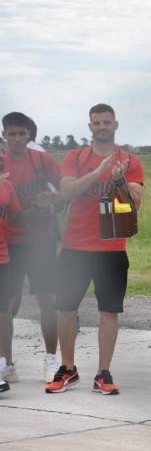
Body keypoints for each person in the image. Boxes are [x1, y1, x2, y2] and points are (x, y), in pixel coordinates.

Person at [45, 104, 144, 395]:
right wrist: (99, 171)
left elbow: (135, 203)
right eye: (96, 122)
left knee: (109, 311)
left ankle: (103, 372)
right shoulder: (76, 157)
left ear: (116, 125)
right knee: (65, 308)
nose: (102, 127)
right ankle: (67, 368)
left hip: (112, 247)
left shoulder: (129, 160)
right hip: (76, 245)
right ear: (90, 127)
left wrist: (118, 180)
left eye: (107, 122)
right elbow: (67, 191)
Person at [1, 112, 63, 384]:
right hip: (8, 242)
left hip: (41, 240)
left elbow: (65, 188)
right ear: (4, 134)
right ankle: (6, 363)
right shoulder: (1, 163)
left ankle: (52, 360)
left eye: (21, 134)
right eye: (11, 134)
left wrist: (54, 201)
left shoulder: (41, 160)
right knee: (5, 305)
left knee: (46, 300)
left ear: (29, 135)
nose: (16, 139)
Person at [0, 149, 23, 391]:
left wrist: (45, 202)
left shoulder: (6, 187)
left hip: (3, 255)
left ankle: (5, 363)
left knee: (3, 310)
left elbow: (17, 216)